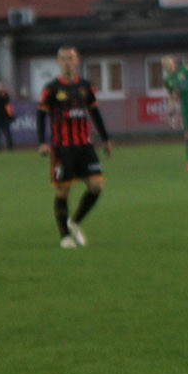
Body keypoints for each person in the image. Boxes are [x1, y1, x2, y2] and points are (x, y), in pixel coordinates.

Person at [37, 46, 112, 250]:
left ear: (77, 61)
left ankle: (75, 221)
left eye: (70, 58)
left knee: (96, 187)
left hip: (85, 146)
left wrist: (105, 139)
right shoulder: (51, 88)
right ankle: (64, 237)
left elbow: (95, 113)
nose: (67, 62)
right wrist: (42, 142)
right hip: (63, 148)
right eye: (63, 59)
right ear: (58, 62)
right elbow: (41, 115)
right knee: (63, 192)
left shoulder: (86, 86)